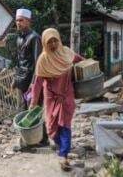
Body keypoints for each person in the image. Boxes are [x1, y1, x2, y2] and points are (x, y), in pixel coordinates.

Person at [29, 28, 84, 171]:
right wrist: (33, 103)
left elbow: (81, 61)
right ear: (44, 43)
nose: (53, 44)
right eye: (49, 42)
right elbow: (38, 84)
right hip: (51, 97)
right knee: (51, 128)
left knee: (65, 125)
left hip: (66, 95)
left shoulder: (66, 52)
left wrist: (93, 68)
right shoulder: (43, 60)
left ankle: (64, 155)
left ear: (59, 40)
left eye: (55, 40)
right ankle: (62, 147)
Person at [12, 8, 42, 108]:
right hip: (21, 80)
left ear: (28, 22)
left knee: (33, 110)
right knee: (22, 109)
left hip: (31, 80)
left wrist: (34, 82)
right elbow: (19, 61)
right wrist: (15, 79)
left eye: (21, 20)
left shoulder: (34, 38)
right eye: (17, 20)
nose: (18, 23)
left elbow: (38, 62)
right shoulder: (19, 38)